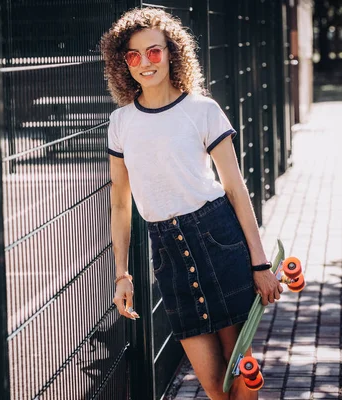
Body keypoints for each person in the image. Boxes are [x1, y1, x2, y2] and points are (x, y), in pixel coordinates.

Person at [100, 7, 282, 400]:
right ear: (123, 63)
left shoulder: (202, 110)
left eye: (154, 52)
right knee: (216, 388)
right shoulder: (121, 123)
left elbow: (235, 189)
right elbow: (119, 203)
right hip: (167, 251)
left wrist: (260, 263)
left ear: (171, 53)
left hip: (217, 237)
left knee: (239, 370)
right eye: (133, 55)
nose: (145, 63)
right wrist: (121, 272)